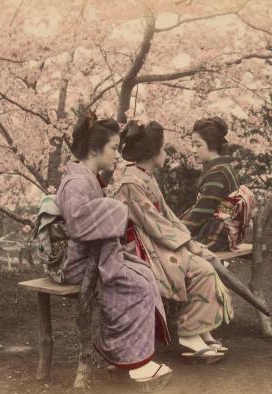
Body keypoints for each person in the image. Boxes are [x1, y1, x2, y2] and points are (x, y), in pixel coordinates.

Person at [56, 112, 172, 388]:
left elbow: (94, 218)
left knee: (144, 273)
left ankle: (128, 357)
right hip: (78, 262)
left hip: (93, 255)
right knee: (136, 286)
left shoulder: (88, 177)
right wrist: (115, 209)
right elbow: (78, 224)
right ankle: (134, 362)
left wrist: (109, 209)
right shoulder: (76, 182)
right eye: (112, 148)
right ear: (95, 149)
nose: (117, 155)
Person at [110, 120, 233, 364]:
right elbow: (154, 224)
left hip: (157, 241)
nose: (166, 153)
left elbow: (168, 217)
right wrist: (188, 245)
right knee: (202, 270)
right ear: (151, 154)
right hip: (142, 247)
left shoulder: (145, 176)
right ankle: (189, 332)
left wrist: (191, 243)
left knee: (202, 264)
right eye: (163, 149)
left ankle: (200, 329)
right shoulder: (131, 182)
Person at [181, 117, 254, 252]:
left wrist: (177, 231)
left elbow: (202, 212)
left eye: (198, 145)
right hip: (223, 234)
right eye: (192, 145)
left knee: (170, 250)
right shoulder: (225, 168)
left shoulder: (217, 174)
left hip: (216, 238)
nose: (193, 150)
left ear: (212, 145)